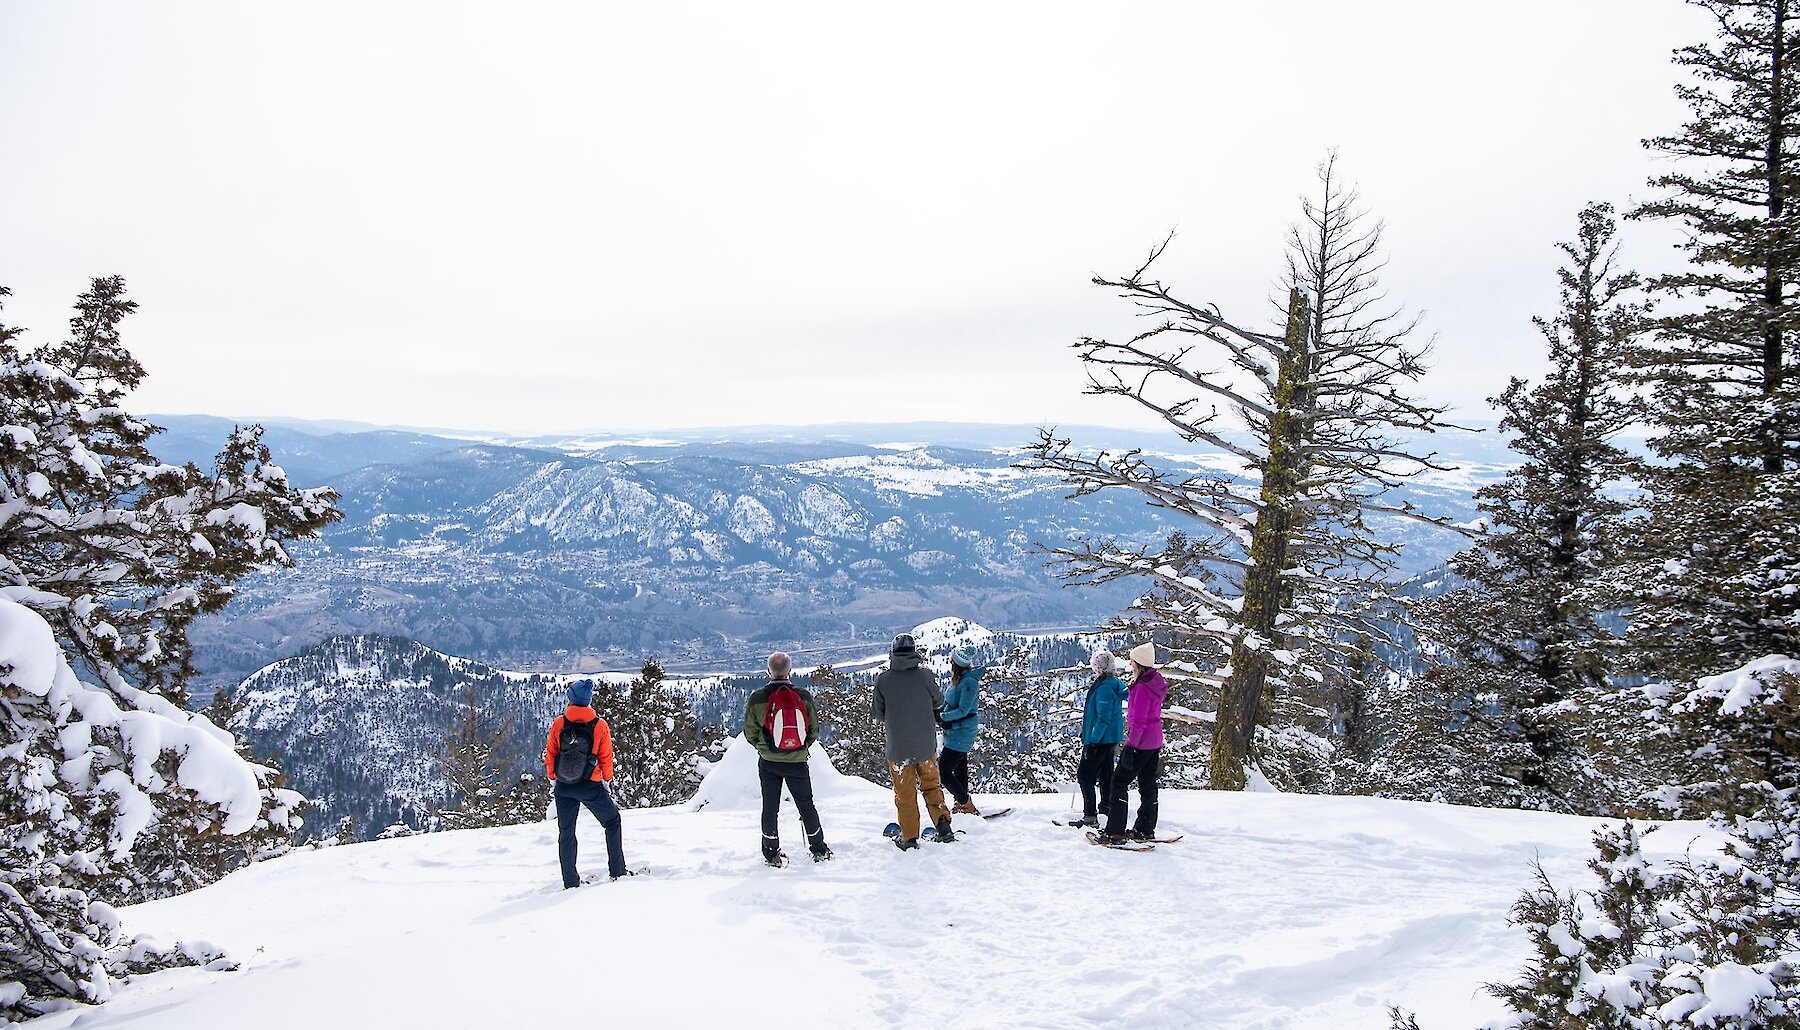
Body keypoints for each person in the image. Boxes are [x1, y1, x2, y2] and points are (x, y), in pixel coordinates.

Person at [743, 651, 832, 866]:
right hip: (797, 762)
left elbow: (749, 732)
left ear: (769, 671)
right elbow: (813, 730)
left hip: (769, 762)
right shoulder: (803, 696)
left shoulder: (758, 698)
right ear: (790, 671)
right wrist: (799, 748)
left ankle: (771, 853)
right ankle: (818, 848)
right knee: (806, 804)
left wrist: (764, 748)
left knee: (770, 806)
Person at [545, 678, 631, 887]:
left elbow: (551, 753)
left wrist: (553, 778)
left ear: (571, 700)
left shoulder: (560, 723)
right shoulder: (599, 725)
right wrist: (607, 779)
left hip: (564, 786)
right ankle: (617, 871)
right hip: (590, 785)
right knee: (612, 822)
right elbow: (606, 757)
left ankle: (571, 881)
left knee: (566, 832)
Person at [872, 633, 954, 849]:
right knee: (931, 786)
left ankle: (908, 837)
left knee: (905, 795)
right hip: (925, 746)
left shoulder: (883, 680)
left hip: (898, 749)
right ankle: (943, 826)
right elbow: (939, 701)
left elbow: (879, 714)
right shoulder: (925, 676)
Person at [1099, 642, 1168, 844]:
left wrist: (1130, 747)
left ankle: (1115, 831)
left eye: (1132, 660)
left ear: (1138, 663)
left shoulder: (1141, 688)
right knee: (1148, 784)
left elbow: (1138, 722)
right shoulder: (1155, 682)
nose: (1129, 663)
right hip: (1154, 741)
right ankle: (1145, 828)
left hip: (1141, 743)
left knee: (1118, 783)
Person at [1074, 648, 1128, 828]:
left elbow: (1103, 717)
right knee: (1105, 773)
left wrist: (1093, 741)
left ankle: (1090, 815)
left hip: (1101, 739)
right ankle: (1106, 807)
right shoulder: (1112, 683)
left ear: (1099, 667)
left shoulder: (1105, 687)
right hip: (1110, 738)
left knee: (1085, 775)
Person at [937, 644, 983, 815]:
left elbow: (964, 710)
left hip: (962, 732)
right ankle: (962, 804)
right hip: (955, 731)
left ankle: (965, 801)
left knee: (944, 771)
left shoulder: (969, 682)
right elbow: (951, 703)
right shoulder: (960, 679)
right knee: (960, 768)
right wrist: (940, 712)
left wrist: (942, 718)